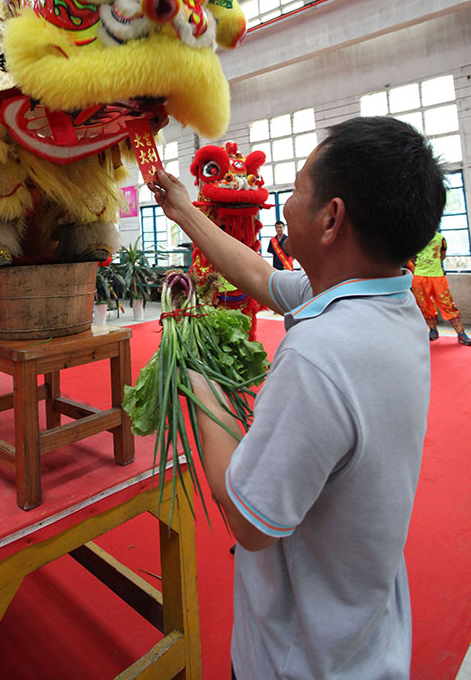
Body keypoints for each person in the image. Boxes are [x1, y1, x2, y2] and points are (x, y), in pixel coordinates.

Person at [149, 116, 446, 680]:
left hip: (301, 661)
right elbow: (262, 277)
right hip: (364, 638)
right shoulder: (388, 301)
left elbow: (250, 522)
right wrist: (184, 210)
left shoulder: (320, 356)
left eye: (298, 189)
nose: (284, 205)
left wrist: (200, 378)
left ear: (331, 218)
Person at [409, 230, 471, 345]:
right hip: (419, 277)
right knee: (424, 305)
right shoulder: (415, 238)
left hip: (437, 277)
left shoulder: (440, 238)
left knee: (448, 304)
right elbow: (410, 258)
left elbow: (443, 255)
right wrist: (418, 269)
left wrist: (433, 266)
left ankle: (461, 334)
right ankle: (433, 330)